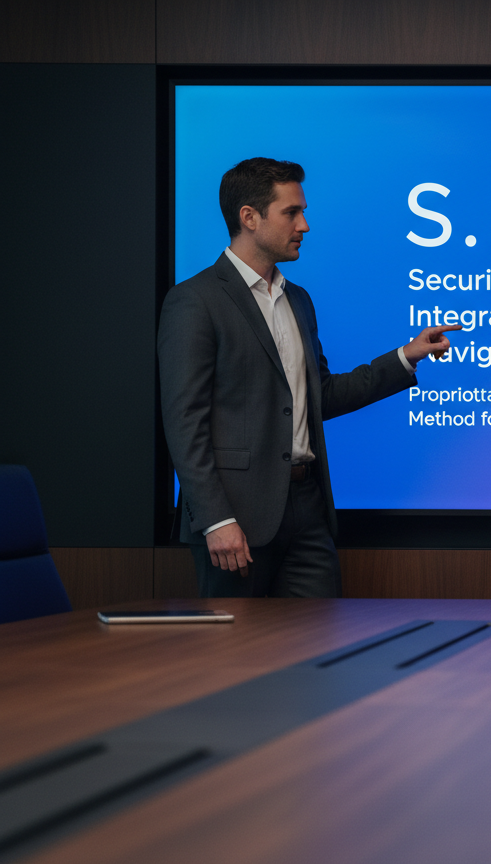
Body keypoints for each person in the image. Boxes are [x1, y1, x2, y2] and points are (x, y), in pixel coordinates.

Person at [159, 157, 460, 598]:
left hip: (307, 509)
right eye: (292, 212)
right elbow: (184, 422)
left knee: (319, 638)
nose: (305, 225)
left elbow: (322, 395)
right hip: (236, 518)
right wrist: (216, 520)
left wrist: (405, 357)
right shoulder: (195, 301)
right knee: (239, 644)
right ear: (249, 217)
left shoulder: (298, 300)